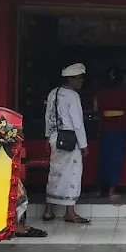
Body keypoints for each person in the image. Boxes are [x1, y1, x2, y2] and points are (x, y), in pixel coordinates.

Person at [43, 62, 90, 224]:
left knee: (54, 172)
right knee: (72, 174)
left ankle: (48, 210)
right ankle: (69, 212)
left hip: (55, 138)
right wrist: (84, 144)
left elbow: (48, 116)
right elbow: (77, 123)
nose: (81, 81)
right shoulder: (73, 96)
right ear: (70, 79)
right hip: (70, 139)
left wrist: (47, 136)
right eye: (79, 78)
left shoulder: (53, 93)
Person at [96, 66, 126, 203]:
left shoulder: (101, 93)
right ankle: (111, 190)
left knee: (104, 159)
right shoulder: (123, 93)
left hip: (106, 130)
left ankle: (101, 189)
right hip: (118, 130)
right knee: (114, 159)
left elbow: (99, 112)